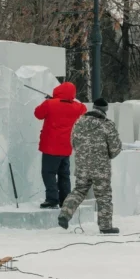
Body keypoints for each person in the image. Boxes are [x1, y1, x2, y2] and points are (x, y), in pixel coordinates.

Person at [58, 98, 123, 234]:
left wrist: (83, 155)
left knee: (79, 190)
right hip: (101, 167)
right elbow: (115, 148)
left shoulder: (79, 122)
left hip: (82, 165)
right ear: (105, 110)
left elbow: (72, 142)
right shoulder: (107, 125)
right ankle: (105, 226)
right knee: (104, 195)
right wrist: (106, 156)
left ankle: (65, 214)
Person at [34, 82, 87, 208]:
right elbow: (83, 110)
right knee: (64, 174)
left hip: (50, 146)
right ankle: (65, 200)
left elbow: (38, 114)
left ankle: (52, 199)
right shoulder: (78, 107)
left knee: (49, 173)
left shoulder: (49, 104)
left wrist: (52, 100)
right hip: (66, 147)